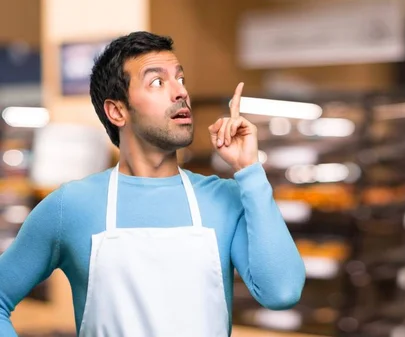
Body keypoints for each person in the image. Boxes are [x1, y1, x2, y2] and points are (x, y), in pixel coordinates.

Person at [0, 31, 306, 337]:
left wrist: (249, 169)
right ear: (117, 111)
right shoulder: (71, 206)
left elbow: (282, 292)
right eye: (157, 82)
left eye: (181, 79)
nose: (180, 92)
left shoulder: (224, 197)